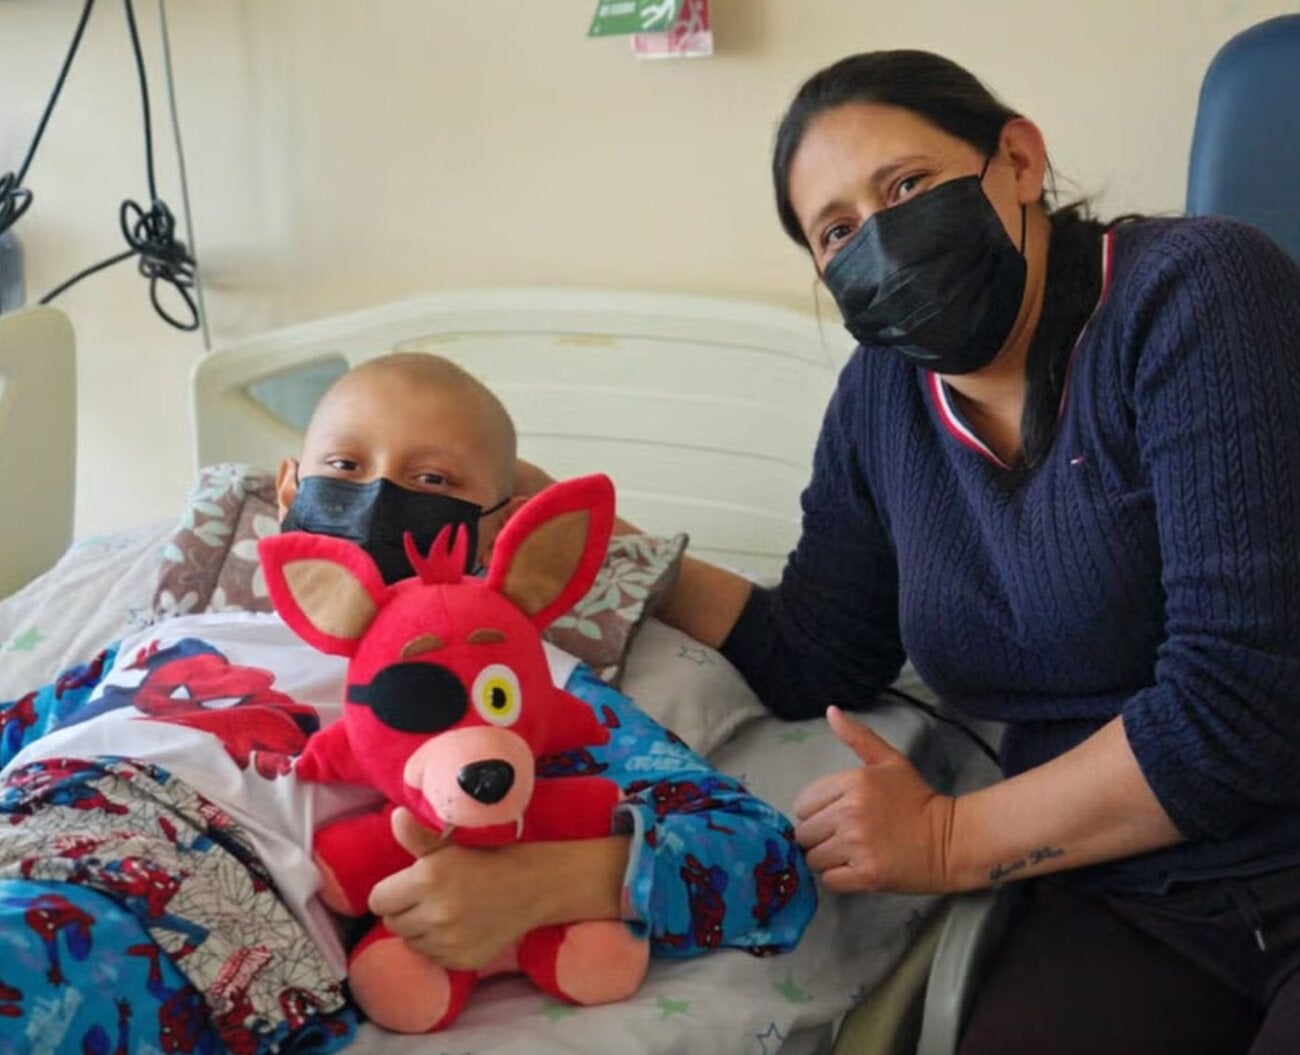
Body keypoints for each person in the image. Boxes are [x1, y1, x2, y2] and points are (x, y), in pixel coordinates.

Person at [520, 49, 1300, 1055]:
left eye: (907, 186)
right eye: (837, 229)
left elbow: (1242, 705)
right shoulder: (882, 397)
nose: (881, 241)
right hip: (1124, 894)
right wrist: (616, 554)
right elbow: (818, 652)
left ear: (1017, 160)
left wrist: (946, 838)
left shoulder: (1193, 292)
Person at [0, 353, 815, 1052]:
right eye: (343, 467)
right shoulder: (176, 633)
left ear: (497, 533)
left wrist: (555, 881)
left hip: (172, 895)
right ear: (288, 493)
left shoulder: (517, 679)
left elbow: (762, 861)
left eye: (433, 479)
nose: (378, 495)